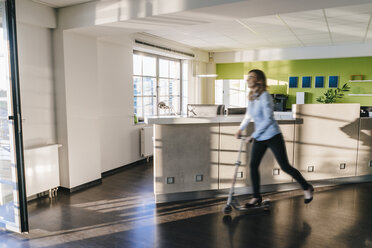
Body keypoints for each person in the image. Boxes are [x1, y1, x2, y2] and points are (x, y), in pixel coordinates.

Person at [235, 69, 314, 207]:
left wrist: (252, 136)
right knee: (253, 165)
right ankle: (256, 197)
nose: (247, 80)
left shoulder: (265, 96)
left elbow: (268, 120)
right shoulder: (252, 96)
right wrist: (240, 128)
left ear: (259, 80)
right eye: (247, 77)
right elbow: (249, 115)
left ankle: (306, 187)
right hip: (260, 137)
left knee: (284, 166)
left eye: (251, 77)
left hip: (272, 135)